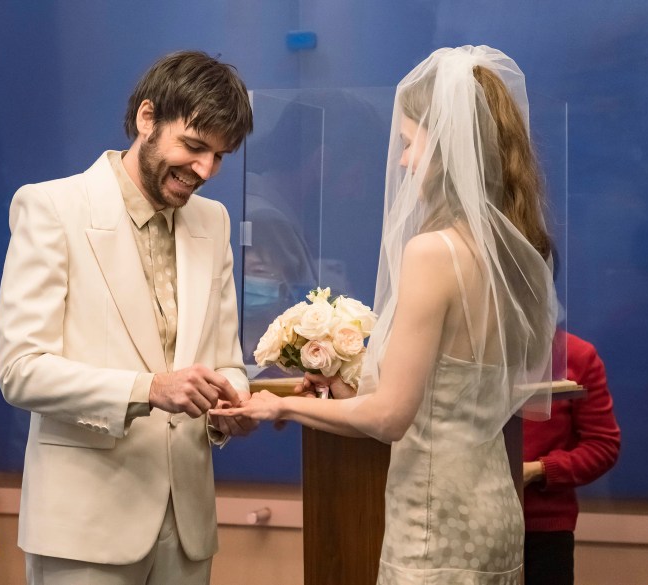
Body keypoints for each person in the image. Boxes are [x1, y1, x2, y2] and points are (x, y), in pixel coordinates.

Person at [214, 45, 557, 583]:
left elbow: (389, 418)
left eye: (407, 142)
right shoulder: (517, 254)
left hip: (434, 518)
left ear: (444, 146)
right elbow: (441, 401)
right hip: (496, 507)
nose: (402, 161)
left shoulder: (433, 252)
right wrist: (335, 398)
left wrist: (275, 407)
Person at [0, 50, 256, 585]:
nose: (205, 170)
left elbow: (227, 361)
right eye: (193, 146)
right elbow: (21, 370)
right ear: (146, 119)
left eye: (220, 156)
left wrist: (232, 402)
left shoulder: (215, 221)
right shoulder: (51, 208)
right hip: (84, 526)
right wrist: (148, 387)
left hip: (187, 526)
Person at [523, 329, 621, 585]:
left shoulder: (575, 354)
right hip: (470, 518)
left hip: (543, 527)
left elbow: (603, 445)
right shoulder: (464, 350)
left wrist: (538, 470)